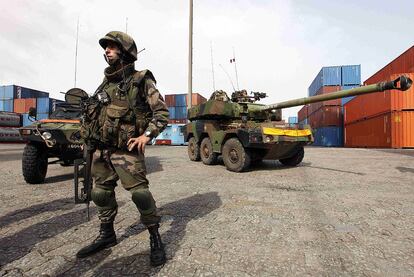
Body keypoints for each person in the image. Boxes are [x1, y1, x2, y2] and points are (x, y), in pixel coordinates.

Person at [76, 31, 169, 267]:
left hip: (126, 150)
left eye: (111, 47)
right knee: (100, 193)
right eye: (105, 48)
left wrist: (146, 136)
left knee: (140, 194)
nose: (106, 51)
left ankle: (155, 238)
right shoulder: (105, 84)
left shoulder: (141, 80)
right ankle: (107, 235)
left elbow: (161, 113)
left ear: (125, 51)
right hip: (101, 150)